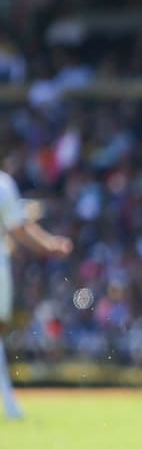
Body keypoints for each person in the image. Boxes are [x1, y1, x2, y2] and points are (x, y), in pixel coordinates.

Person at [0, 170, 72, 420]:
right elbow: (19, 229)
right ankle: (8, 403)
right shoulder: (3, 184)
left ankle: (9, 402)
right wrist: (49, 245)